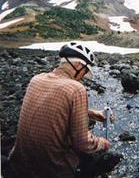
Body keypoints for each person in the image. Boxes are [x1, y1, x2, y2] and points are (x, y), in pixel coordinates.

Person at [8, 42, 112, 178]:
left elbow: (53, 105)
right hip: (52, 171)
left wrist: (93, 114)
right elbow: (83, 143)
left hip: (18, 163)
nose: (83, 78)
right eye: (85, 71)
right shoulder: (76, 89)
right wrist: (101, 143)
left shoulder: (36, 79)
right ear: (79, 66)